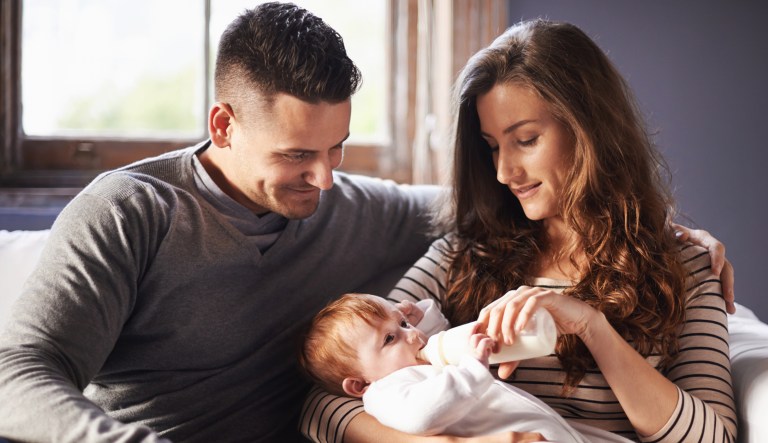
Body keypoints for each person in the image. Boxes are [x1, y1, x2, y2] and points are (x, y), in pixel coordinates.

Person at [0, 3, 444, 442]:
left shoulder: (348, 205)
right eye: (296, 155)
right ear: (223, 126)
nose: (325, 178)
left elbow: (466, 207)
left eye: (335, 148)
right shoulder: (129, 212)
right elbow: (15, 376)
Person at [303, 19, 737, 443]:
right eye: (492, 147)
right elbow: (329, 401)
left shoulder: (686, 267)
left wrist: (592, 327)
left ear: (590, 131)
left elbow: (715, 436)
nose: (504, 172)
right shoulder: (461, 256)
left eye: (526, 139)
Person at [300, 293, 635, 443]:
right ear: (359, 385)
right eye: (391, 338)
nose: (412, 336)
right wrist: (473, 370)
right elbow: (423, 413)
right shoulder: (384, 393)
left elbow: (441, 337)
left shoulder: (413, 359)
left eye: (402, 323)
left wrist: (421, 314)